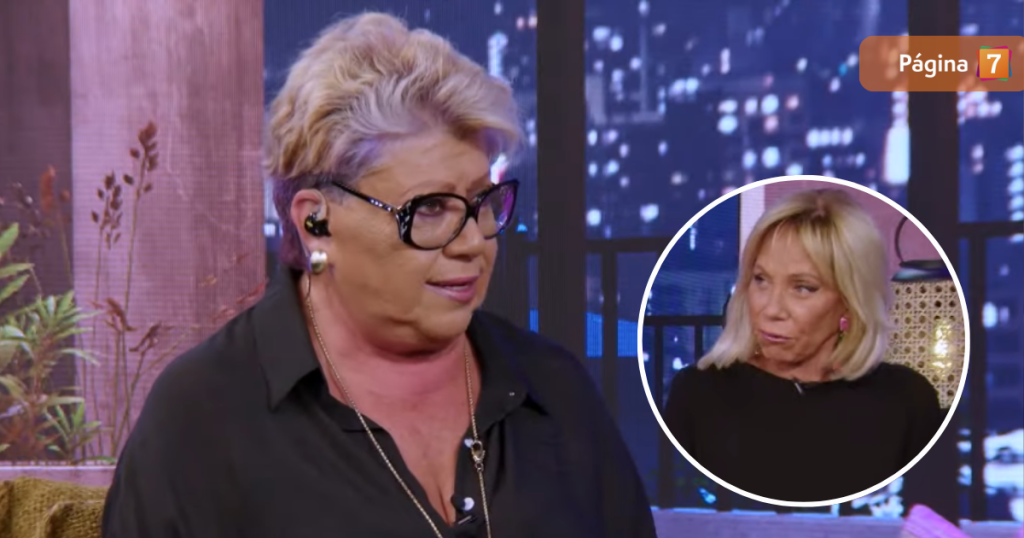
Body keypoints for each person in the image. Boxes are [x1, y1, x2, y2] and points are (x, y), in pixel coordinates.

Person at [101, 13, 657, 538]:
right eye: (430, 209)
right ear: (317, 222)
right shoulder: (202, 417)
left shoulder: (555, 389)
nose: (473, 243)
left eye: (482, 202)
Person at [663, 188, 944, 503]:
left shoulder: (907, 401)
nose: (771, 309)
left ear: (850, 302)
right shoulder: (698, 393)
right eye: (761, 279)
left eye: (803, 288)